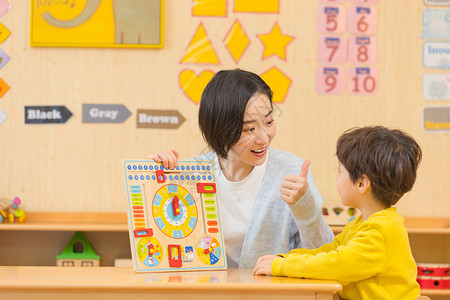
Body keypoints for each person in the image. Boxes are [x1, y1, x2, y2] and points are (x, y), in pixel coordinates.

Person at [150, 69, 334, 268]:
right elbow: (163, 253)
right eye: (249, 129)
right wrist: (153, 180)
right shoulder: (191, 176)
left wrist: (307, 211)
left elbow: (324, 256)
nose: (264, 138)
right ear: (220, 129)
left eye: (269, 122)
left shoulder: (292, 171)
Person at [253, 126, 423, 300]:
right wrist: (284, 258)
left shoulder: (381, 230)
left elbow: (337, 264)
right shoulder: (361, 225)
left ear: (361, 184)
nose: (337, 178)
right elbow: (328, 252)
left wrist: (282, 266)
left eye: (340, 171)